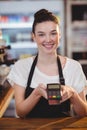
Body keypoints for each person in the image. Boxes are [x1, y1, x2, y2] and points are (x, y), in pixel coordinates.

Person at [7, 9, 87, 118]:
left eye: (53, 33)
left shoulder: (73, 67)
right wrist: (37, 93)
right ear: (34, 37)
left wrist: (73, 94)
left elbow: (83, 113)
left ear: (60, 35)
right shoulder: (21, 67)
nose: (48, 39)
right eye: (41, 35)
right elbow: (20, 112)